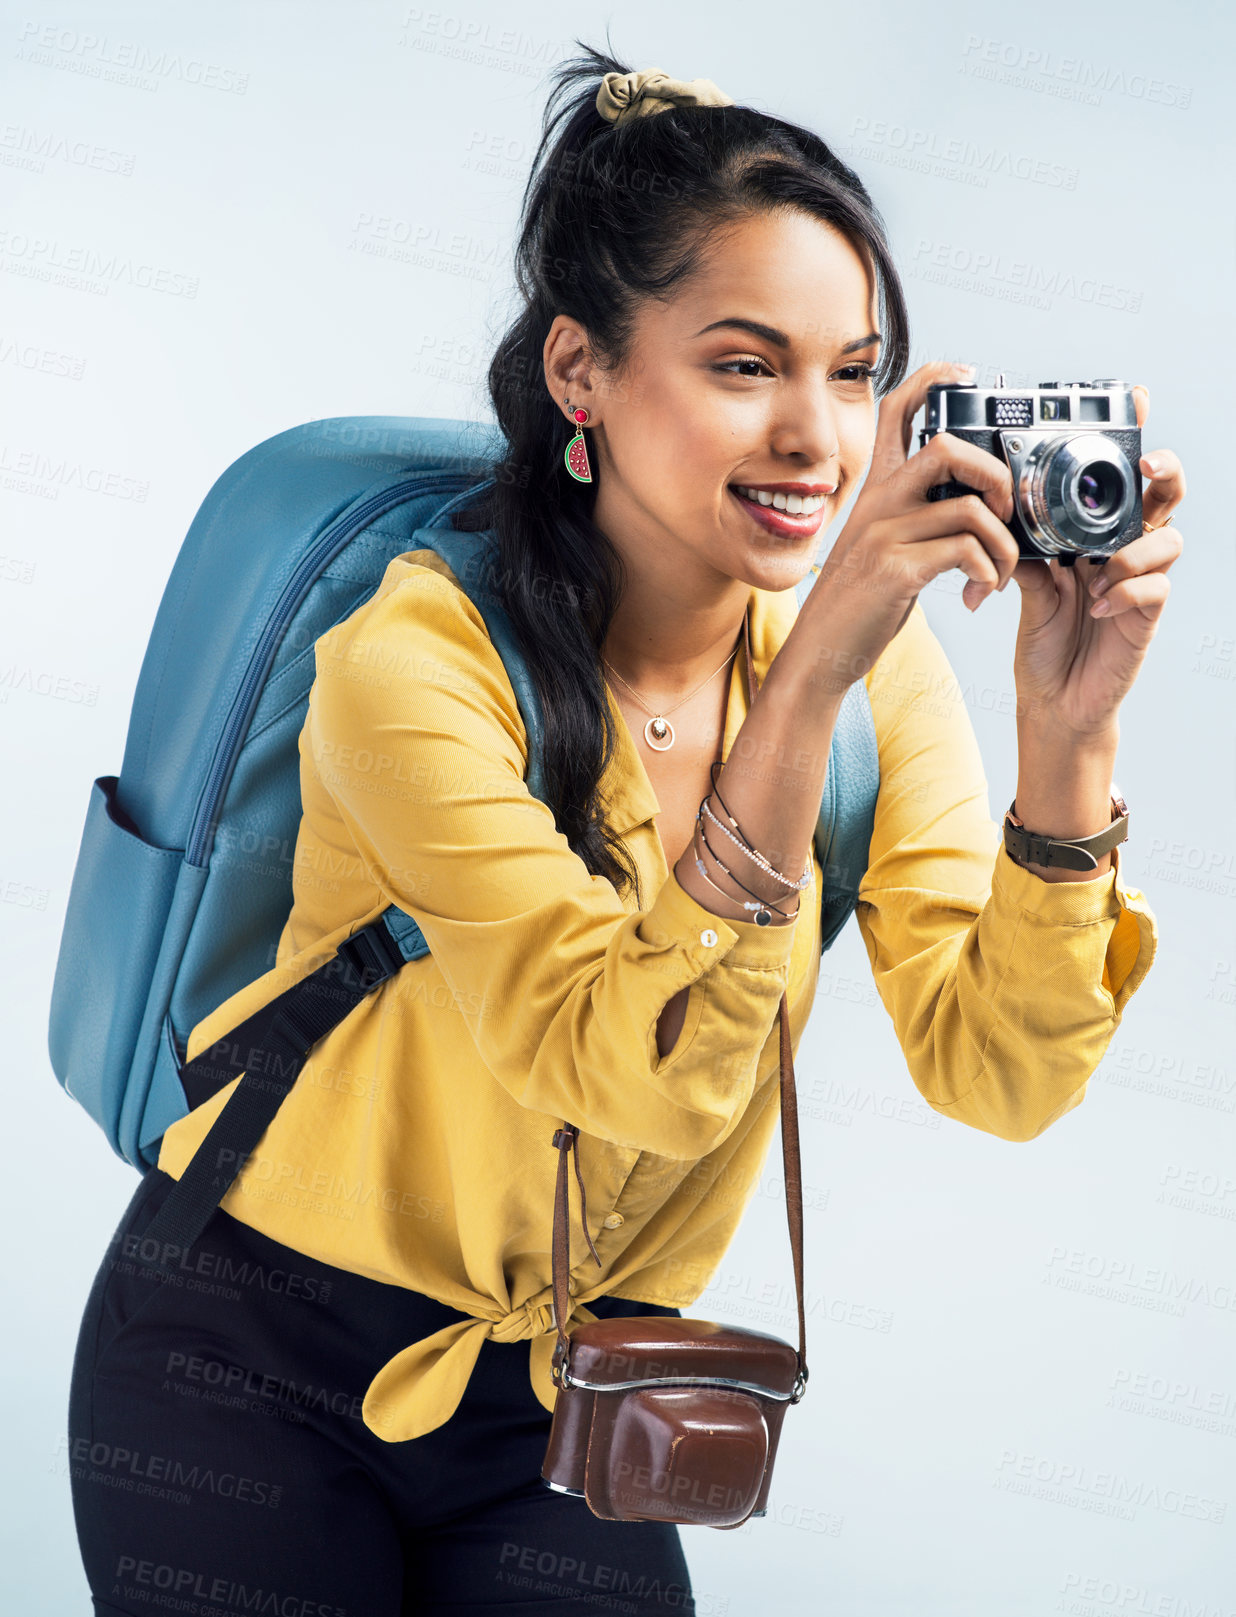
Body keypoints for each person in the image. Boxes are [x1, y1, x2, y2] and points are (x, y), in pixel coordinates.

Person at [68, 42, 1183, 1616]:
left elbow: (998, 1073)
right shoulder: (415, 663)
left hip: (569, 1402)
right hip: (242, 1355)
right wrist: (804, 689)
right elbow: (621, 1061)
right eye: (746, 364)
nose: (819, 437)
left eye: (855, 373)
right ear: (581, 372)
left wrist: (1069, 746)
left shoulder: (879, 687)